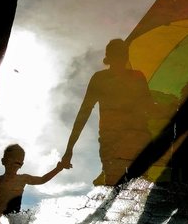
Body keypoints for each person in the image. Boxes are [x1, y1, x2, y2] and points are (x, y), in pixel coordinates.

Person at [61, 38, 155, 185]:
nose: (121, 57)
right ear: (110, 57)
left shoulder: (132, 77)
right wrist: (69, 149)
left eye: (122, 53)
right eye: (119, 54)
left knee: (131, 187)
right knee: (128, 186)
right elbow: (83, 113)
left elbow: (149, 107)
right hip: (118, 141)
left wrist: (69, 149)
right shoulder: (103, 79)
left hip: (132, 139)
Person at [0, 144, 65, 223]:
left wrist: (58, 169)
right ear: (3, 161)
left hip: (12, 220)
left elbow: (42, 180)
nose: (14, 163)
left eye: (18, 161)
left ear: (21, 164)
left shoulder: (22, 179)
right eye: (11, 159)